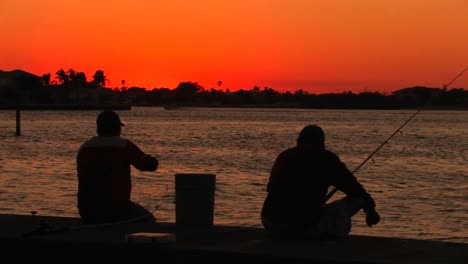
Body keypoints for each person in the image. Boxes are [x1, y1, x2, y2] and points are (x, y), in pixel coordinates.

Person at [261, 124, 380, 238]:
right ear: (322, 143)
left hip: (271, 223)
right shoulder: (327, 159)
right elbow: (356, 191)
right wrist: (371, 210)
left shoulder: (284, 156)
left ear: (298, 141)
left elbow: (272, 188)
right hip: (303, 227)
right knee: (357, 200)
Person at [76, 110, 159, 224]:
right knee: (149, 221)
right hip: (117, 209)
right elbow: (149, 165)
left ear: (98, 128)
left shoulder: (84, 148)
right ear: (116, 128)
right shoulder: (123, 145)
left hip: (87, 210)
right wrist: (150, 159)